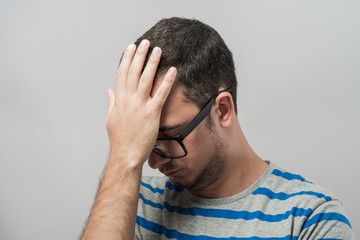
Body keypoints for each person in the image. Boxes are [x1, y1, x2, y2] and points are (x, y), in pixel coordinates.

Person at [81, 17, 354, 239]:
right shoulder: (134, 202)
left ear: (222, 110)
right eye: (145, 138)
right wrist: (123, 157)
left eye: (169, 135)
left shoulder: (310, 217)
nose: (153, 162)